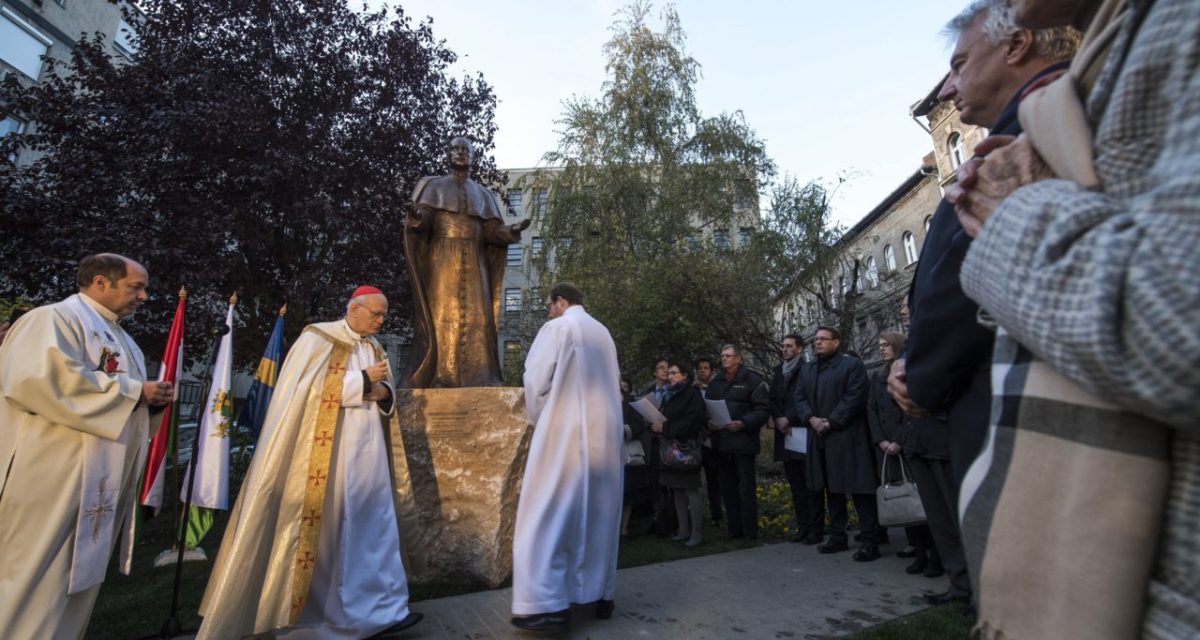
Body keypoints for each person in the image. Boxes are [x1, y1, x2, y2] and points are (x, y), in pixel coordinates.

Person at [946, 0, 1200, 636]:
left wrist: (1016, 210)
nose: (950, 86)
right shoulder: (1114, 45)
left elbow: (1179, 330)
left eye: (959, 64)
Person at [889, 0, 1080, 487]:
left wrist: (920, 375)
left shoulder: (1045, 129)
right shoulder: (1024, 128)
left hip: (1023, 411)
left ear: (1017, 45)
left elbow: (963, 278)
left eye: (959, 65)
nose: (950, 87)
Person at [197, 286, 422, 640]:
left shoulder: (375, 347)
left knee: (372, 527)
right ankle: (329, 618)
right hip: (328, 460)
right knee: (333, 533)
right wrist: (363, 381)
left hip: (369, 457)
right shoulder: (317, 338)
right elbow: (303, 392)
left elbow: (385, 392)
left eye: (383, 315)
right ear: (354, 308)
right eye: (376, 314)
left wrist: (382, 392)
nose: (381, 321)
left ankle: (384, 609)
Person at [0, 253, 173, 639]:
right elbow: (36, 381)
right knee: (32, 579)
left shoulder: (122, 339)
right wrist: (134, 392)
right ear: (100, 282)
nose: (144, 296)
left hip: (94, 485)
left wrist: (151, 402)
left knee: (72, 586)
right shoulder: (52, 319)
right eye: (136, 286)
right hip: (49, 478)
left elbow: (127, 404)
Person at [511, 283, 623, 634]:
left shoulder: (558, 327)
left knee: (545, 511)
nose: (548, 311)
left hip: (567, 431)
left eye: (549, 305)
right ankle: (599, 595)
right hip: (605, 434)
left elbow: (536, 381)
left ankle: (544, 604)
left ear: (561, 301)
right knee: (599, 514)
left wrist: (544, 420)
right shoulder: (603, 333)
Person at [403, 136, 530, 388]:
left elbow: (492, 231)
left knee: (478, 318)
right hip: (442, 258)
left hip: (475, 262)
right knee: (441, 315)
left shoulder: (483, 193)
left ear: (472, 156)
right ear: (448, 155)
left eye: (465, 149)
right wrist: (418, 215)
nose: (460, 153)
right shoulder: (433, 186)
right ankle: (440, 375)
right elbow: (425, 218)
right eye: (455, 149)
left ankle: (480, 376)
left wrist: (512, 230)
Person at [790, 327, 882, 562]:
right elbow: (799, 397)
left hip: (848, 437)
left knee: (860, 490)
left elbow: (855, 397)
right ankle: (837, 536)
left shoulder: (851, 365)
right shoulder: (809, 369)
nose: (818, 343)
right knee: (832, 489)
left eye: (823, 339)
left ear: (836, 342)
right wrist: (810, 418)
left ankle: (871, 540)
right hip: (820, 438)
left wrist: (831, 421)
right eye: (816, 340)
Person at [867, 333, 938, 577]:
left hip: (906, 444)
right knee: (902, 503)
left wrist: (897, 440)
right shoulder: (878, 375)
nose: (882, 349)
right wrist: (881, 440)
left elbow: (911, 408)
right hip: (886, 447)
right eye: (880, 346)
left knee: (920, 500)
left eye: (886, 345)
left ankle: (934, 554)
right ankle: (918, 551)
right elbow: (872, 410)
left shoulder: (909, 370)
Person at [704, 344, 770, 541]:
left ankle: (750, 531)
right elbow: (707, 407)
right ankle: (734, 529)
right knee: (728, 489)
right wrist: (709, 423)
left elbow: (763, 410)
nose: (724, 359)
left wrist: (744, 422)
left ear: (739, 358)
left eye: (728, 356)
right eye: (722, 356)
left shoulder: (753, 380)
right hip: (722, 443)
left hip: (743, 443)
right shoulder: (716, 382)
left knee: (747, 489)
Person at [768, 334, 824, 545]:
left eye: (789, 346)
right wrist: (777, 417)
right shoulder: (777, 372)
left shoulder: (807, 369)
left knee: (810, 483)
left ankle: (816, 529)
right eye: (783, 346)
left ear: (800, 349)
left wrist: (788, 417)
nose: (785, 349)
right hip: (784, 433)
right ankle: (803, 527)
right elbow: (772, 399)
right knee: (796, 485)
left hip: (801, 430)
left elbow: (805, 398)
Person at [650, 361, 706, 547]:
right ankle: (683, 530)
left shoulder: (691, 393)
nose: (670, 376)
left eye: (674, 373)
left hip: (685, 449)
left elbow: (693, 420)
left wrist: (665, 427)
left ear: (685, 375)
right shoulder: (669, 393)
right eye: (670, 373)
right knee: (676, 490)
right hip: (669, 449)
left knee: (691, 490)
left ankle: (696, 533)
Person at [641, 358, 676, 536]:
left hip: (670, 443)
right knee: (655, 482)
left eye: (668, 368)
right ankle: (659, 519)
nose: (665, 371)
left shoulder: (675, 391)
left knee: (671, 483)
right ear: (655, 372)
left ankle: (673, 520)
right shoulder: (646, 393)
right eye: (661, 368)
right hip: (652, 443)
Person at [693, 356, 723, 525]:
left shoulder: (716, 387)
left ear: (711, 371)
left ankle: (716, 514)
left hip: (713, 439)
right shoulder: (693, 390)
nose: (702, 370)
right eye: (700, 368)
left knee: (714, 479)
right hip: (698, 438)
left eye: (706, 368)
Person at [619, 377, 650, 538]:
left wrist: (624, 429)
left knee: (628, 492)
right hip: (604, 455)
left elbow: (639, 425)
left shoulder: (630, 401)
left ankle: (624, 528)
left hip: (626, 452)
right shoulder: (598, 399)